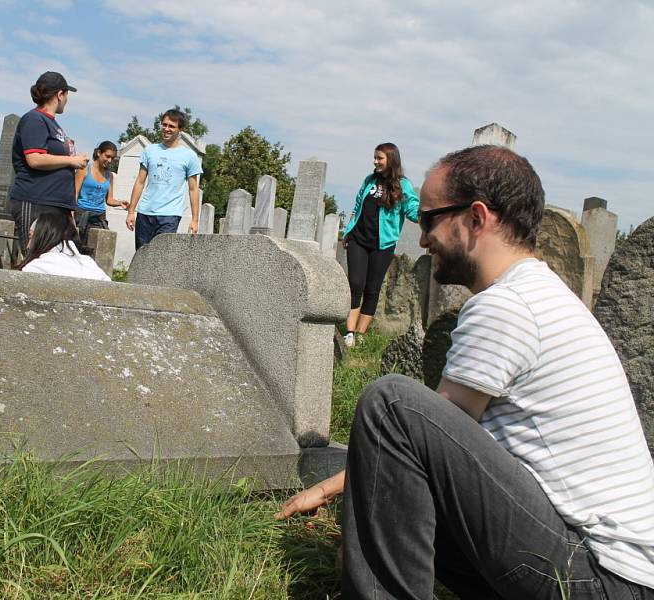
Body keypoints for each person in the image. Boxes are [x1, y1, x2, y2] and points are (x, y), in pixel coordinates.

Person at [278, 145, 654, 599]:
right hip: (611, 572)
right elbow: (433, 455)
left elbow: (410, 429)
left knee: (392, 403)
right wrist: (362, 525)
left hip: (602, 577)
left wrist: (337, 498)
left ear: (476, 218)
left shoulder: (507, 306)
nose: (421, 238)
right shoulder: (538, 292)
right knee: (387, 515)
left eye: (430, 218)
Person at [340, 143, 418, 348]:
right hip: (358, 239)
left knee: (372, 288)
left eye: (379, 158)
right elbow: (357, 206)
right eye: (374, 158)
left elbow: (412, 208)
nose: (375, 162)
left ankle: (361, 332)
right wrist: (348, 230)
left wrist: (428, 216)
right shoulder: (369, 180)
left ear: (391, 159)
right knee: (356, 284)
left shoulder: (403, 185)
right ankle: (349, 332)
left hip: (383, 244)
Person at [8, 71, 88, 258]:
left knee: (71, 258)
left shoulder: (54, 125)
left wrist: (69, 209)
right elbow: (34, 158)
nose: (67, 99)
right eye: (67, 95)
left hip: (57, 205)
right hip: (36, 201)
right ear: (60, 94)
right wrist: (71, 160)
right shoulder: (34, 119)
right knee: (36, 260)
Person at [125, 108, 202, 249]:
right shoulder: (150, 151)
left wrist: (195, 219)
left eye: (171, 126)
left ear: (180, 130)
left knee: (161, 257)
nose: (167, 129)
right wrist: (131, 212)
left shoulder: (189, 156)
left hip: (170, 215)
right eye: (164, 125)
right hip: (145, 213)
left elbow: (193, 189)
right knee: (142, 256)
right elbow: (140, 182)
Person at [15, 211, 110, 281]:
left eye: (31, 237)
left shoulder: (34, 268)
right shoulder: (90, 265)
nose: (28, 246)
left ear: (44, 238)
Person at [74, 141, 127, 237]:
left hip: (99, 216)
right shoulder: (84, 169)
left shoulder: (109, 175)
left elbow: (109, 200)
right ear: (99, 153)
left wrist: (120, 203)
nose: (110, 160)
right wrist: (70, 216)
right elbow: (74, 194)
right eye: (107, 156)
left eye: (113, 158)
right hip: (82, 214)